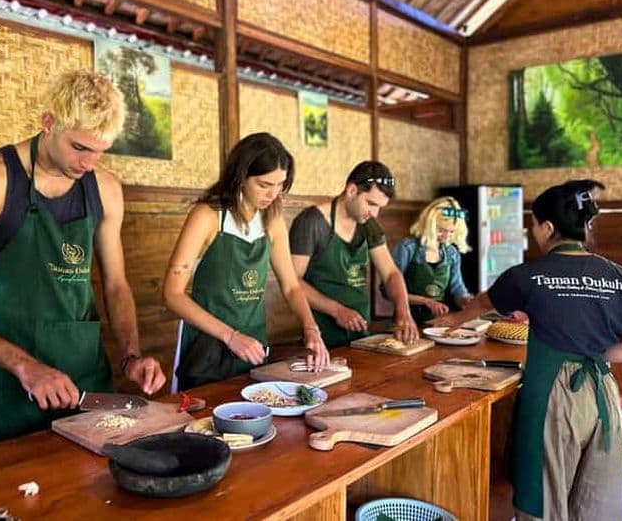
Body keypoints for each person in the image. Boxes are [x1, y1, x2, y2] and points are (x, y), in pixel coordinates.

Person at [0, 71, 166, 447]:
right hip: (11, 386)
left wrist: (131, 356)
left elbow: (116, 284)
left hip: (86, 379)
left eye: (101, 151)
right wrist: (25, 367)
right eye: (80, 147)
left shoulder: (106, 189)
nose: (89, 163)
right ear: (48, 123)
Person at [430, 179, 622, 520]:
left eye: (533, 225)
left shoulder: (527, 275)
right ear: (586, 226)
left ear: (547, 227)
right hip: (602, 395)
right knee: (596, 504)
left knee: (544, 502)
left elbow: (480, 305)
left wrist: (449, 322)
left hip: (553, 397)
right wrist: (590, 350)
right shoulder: (621, 277)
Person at [163, 132, 330, 391]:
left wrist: (311, 328)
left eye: (280, 185)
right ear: (240, 177)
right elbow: (173, 295)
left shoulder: (271, 220)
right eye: (264, 185)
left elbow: (291, 286)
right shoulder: (207, 216)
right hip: (205, 349)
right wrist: (230, 336)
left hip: (253, 345)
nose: (273, 194)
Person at [289, 161, 419, 349]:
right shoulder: (311, 222)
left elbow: (390, 273)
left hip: (361, 335)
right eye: (371, 203)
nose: (375, 213)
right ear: (351, 190)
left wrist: (403, 311)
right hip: (321, 338)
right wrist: (337, 311)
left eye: (380, 207)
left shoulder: (369, 224)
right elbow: (293, 281)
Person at [391, 196, 473, 325]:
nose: (446, 236)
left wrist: (467, 301)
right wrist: (426, 301)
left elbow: (457, 289)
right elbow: (388, 290)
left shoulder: (451, 253)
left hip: (437, 322)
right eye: (441, 230)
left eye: (451, 232)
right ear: (429, 225)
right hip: (405, 321)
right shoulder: (407, 248)